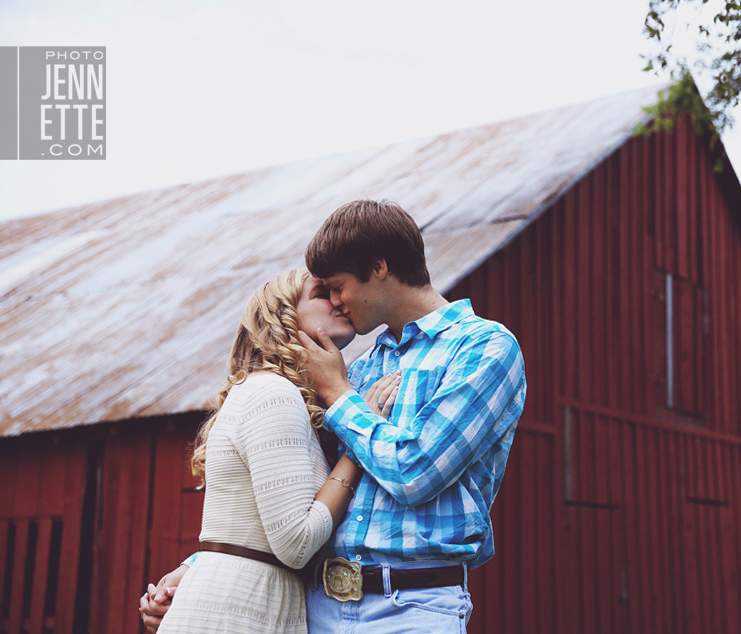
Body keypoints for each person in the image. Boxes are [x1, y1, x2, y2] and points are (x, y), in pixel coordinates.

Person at [142, 199, 526, 634]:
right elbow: (294, 492)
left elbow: (415, 472)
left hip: (411, 607)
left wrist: (339, 395)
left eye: (337, 286)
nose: (337, 302)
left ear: (379, 267)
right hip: (316, 607)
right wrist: (200, 566)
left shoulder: (483, 348)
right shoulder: (359, 369)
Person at [149, 269, 388, 634]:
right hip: (236, 612)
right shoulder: (274, 395)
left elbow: (251, 529)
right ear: (283, 315)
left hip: (256, 605)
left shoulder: (275, 395)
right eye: (321, 293)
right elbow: (296, 542)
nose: (338, 299)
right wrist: (358, 448)